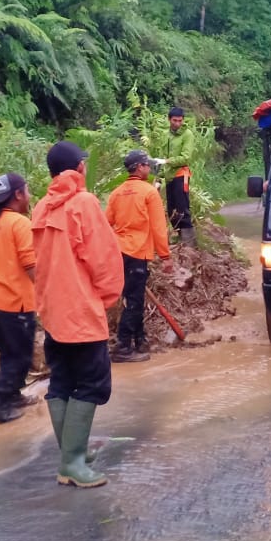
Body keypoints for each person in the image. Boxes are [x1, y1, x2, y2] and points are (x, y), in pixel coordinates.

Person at [31, 140, 124, 488]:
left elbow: (35, 264)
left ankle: (74, 455)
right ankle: (72, 463)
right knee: (92, 383)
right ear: (80, 168)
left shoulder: (40, 208)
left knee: (62, 382)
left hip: (53, 313)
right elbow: (103, 259)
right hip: (82, 313)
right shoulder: (83, 204)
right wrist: (108, 297)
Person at [0, 172, 38, 424]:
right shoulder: (20, 223)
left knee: (9, 353)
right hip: (15, 302)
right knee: (19, 356)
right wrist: (47, 291)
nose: (30, 195)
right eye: (27, 190)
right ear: (17, 194)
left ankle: (13, 394)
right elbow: (29, 263)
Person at [105, 150, 173, 363]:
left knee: (133, 297)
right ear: (139, 167)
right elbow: (158, 227)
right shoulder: (149, 193)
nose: (148, 168)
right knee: (133, 301)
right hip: (137, 252)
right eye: (146, 165)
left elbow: (106, 223)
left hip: (119, 253)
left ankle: (141, 340)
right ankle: (123, 347)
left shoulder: (117, 193)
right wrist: (165, 256)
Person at [155, 106, 197, 247]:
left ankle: (189, 244)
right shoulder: (165, 135)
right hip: (169, 176)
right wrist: (159, 178)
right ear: (169, 120)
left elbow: (185, 158)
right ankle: (179, 238)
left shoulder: (187, 135)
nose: (177, 123)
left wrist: (167, 161)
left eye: (180, 121)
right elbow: (162, 158)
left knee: (182, 208)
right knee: (171, 209)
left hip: (181, 174)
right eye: (174, 120)